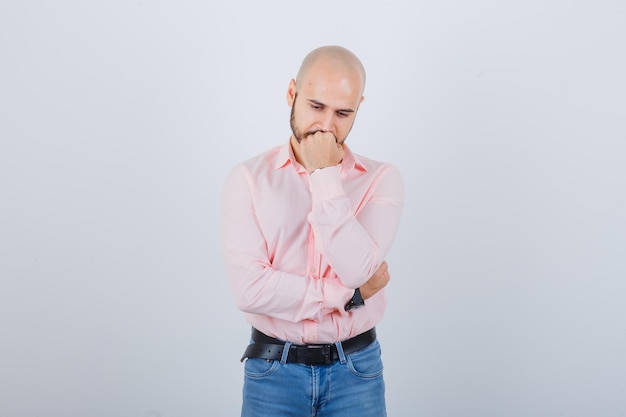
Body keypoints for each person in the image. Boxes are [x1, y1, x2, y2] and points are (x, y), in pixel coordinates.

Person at [220, 45, 404, 417]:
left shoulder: (381, 180)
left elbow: (357, 271)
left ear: (359, 108)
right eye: (316, 107)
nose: (326, 125)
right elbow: (250, 290)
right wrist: (348, 296)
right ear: (292, 94)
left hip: (356, 370)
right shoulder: (248, 179)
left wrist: (323, 175)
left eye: (343, 113)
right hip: (273, 371)